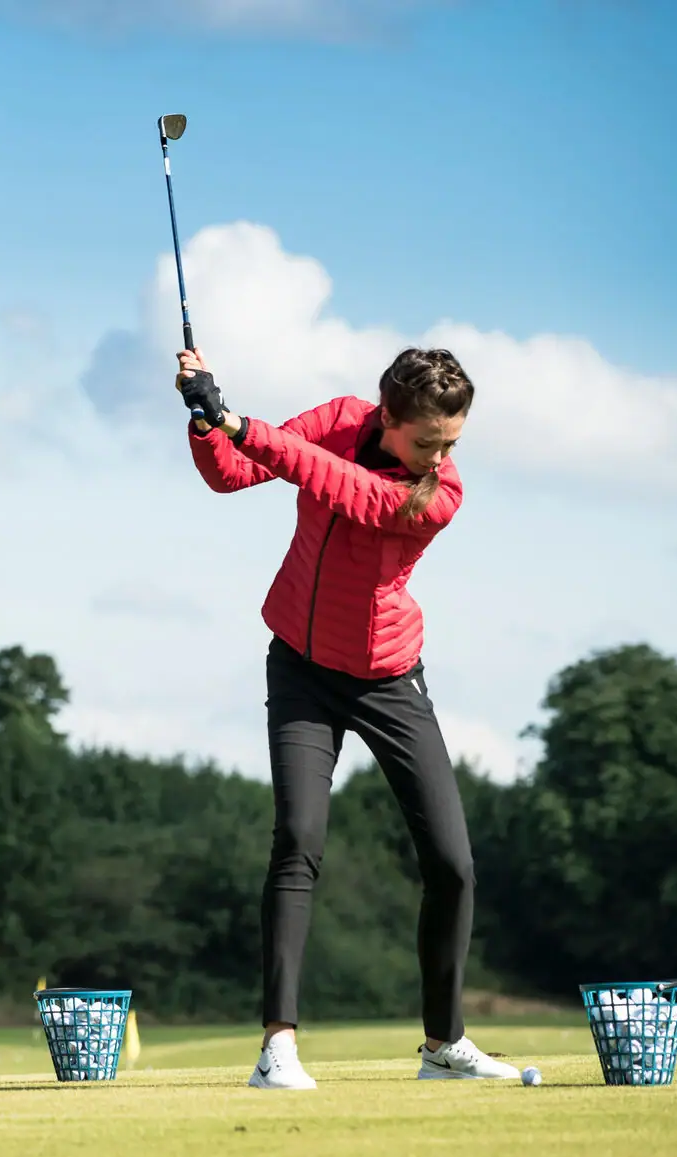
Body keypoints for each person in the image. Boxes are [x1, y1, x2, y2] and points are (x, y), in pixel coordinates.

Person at [177, 346, 519, 1089]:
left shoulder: (438, 493)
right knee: (298, 840)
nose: (441, 455)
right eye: (427, 440)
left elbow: (351, 491)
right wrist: (206, 418)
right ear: (386, 417)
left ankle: (444, 1044)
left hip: (390, 678)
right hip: (301, 668)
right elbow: (232, 472)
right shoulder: (337, 420)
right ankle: (278, 1048)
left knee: (453, 864)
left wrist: (241, 420)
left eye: (452, 441)